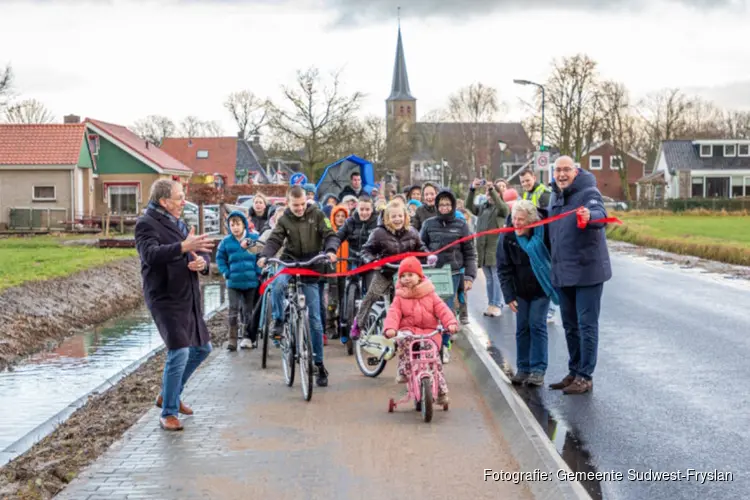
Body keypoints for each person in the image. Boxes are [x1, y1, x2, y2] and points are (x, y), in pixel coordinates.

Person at [135, 179, 214, 432]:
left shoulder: (178, 221)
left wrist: (201, 262)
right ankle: (168, 411)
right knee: (179, 350)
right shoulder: (146, 224)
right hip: (165, 297)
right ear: (164, 201)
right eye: (179, 197)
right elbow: (151, 255)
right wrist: (183, 246)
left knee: (202, 348)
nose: (183, 202)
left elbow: (199, 249)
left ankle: (168, 395)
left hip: (187, 294)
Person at [257, 185, 339, 387]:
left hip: (312, 265)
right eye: (295, 205)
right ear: (288, 203)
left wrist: (330, 250)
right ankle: (278, 320)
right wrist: (265, 256)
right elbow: (275, 240)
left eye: (302, 204)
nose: (300, 208)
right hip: (290, 262)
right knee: (276, 286)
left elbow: (330, 234)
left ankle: (319, 364)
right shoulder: (284, 219)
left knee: (315, 320)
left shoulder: (318, 214)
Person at [547, 156, 612, 395]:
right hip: (564, 272)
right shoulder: (555, 195)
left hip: (587, 271)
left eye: (566, 170)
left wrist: (589, 217)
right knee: (570, 326)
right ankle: (574, 370)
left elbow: (599, 213)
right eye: (557, 170)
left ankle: (585, 376)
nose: (561, 174)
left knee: (586, 326)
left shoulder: (588, 192)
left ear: (575, 172)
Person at [498, 200, 558, 387]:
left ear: (531, 222)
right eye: (514, 218)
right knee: (522, 327)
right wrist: (509, 296)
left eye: (521, 220)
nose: (516, 223)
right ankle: (523, 368)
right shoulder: (507, 237)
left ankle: (538, 369)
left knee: (536, 325)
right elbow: (503, 268)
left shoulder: (544, 233)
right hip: (520, 290)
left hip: (541, 287)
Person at [351, 200, 432, 339]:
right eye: (393, 216)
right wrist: (372, 261)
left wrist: (429, 256)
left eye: (400, 216)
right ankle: (358, 324)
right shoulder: (378, 233)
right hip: (386, 272)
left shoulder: (412, 232)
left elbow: (421, 248)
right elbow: (365, 250)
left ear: (405, 216)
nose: (397, 219)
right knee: (372, 295)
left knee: (413, 301)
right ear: (387, 218)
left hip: (406, 276)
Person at [383, 257, 458, 405]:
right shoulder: (400, 296)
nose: (406, 279)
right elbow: (394, 313)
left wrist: (450, 323)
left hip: (430, 332)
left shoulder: (430, 293)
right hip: (409, 331)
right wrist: (390, 328)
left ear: (420, 276)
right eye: (403, 276)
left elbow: (442, 309)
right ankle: (404, 369)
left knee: (435, 361)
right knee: (405, 343)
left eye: (410, 275)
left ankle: (441, 391)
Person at [420, 190, 477, 361]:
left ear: (452, 206)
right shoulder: (428, 224)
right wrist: (426, 256)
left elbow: (469, 253)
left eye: (447, 204)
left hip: (452, 275)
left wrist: (469, 276)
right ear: (437, 206)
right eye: (441, 204)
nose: (444, 207)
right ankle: (429, 343)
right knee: (429, 311)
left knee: (446, 311)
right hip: (432, 274)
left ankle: (444, 345)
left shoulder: (461, 225)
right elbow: (420, 245)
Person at [215, 210, 262, 351]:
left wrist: (257, 272)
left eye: (238, 224)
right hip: (233, 282)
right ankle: (232, 339)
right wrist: (225, 272)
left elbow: (260, 255)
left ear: (244, 225)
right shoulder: (226, 242)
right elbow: (220, 258)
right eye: (232, 225)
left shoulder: (252, 238)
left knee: (248, 311)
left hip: (251, 282)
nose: (235, 227)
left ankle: (247, 336)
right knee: (233, 310)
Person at [465, 178, 509, 317]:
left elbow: (502, 207)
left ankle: (497, 304)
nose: (489, 196)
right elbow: (469, 206)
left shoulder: (502, 208)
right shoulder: (483, 207)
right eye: (488, 194)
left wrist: (492, 190)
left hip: (495, 249)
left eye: (491, 194)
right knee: (489, 279)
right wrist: (472, 189)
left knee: (496, 278)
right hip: (483, 249)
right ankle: (492, 303)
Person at [519, 168, 556, 324]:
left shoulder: (544, 193)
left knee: (546, 271)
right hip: (533, 237)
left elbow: (550, 215)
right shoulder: (527, 194)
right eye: (522, 182)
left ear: (534, 178)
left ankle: (551, 309)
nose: (526, 184)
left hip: (544, 238)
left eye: (528, 180)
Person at [325, 204, 349, 340]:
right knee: (332, 301)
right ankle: (330, 326)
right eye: (338, 216)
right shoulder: (330, 233)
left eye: (343, 216)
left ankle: (343, 325)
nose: (340, 219)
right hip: (333, 272)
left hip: (345, 271)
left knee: (344, 299)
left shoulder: (348, 233)